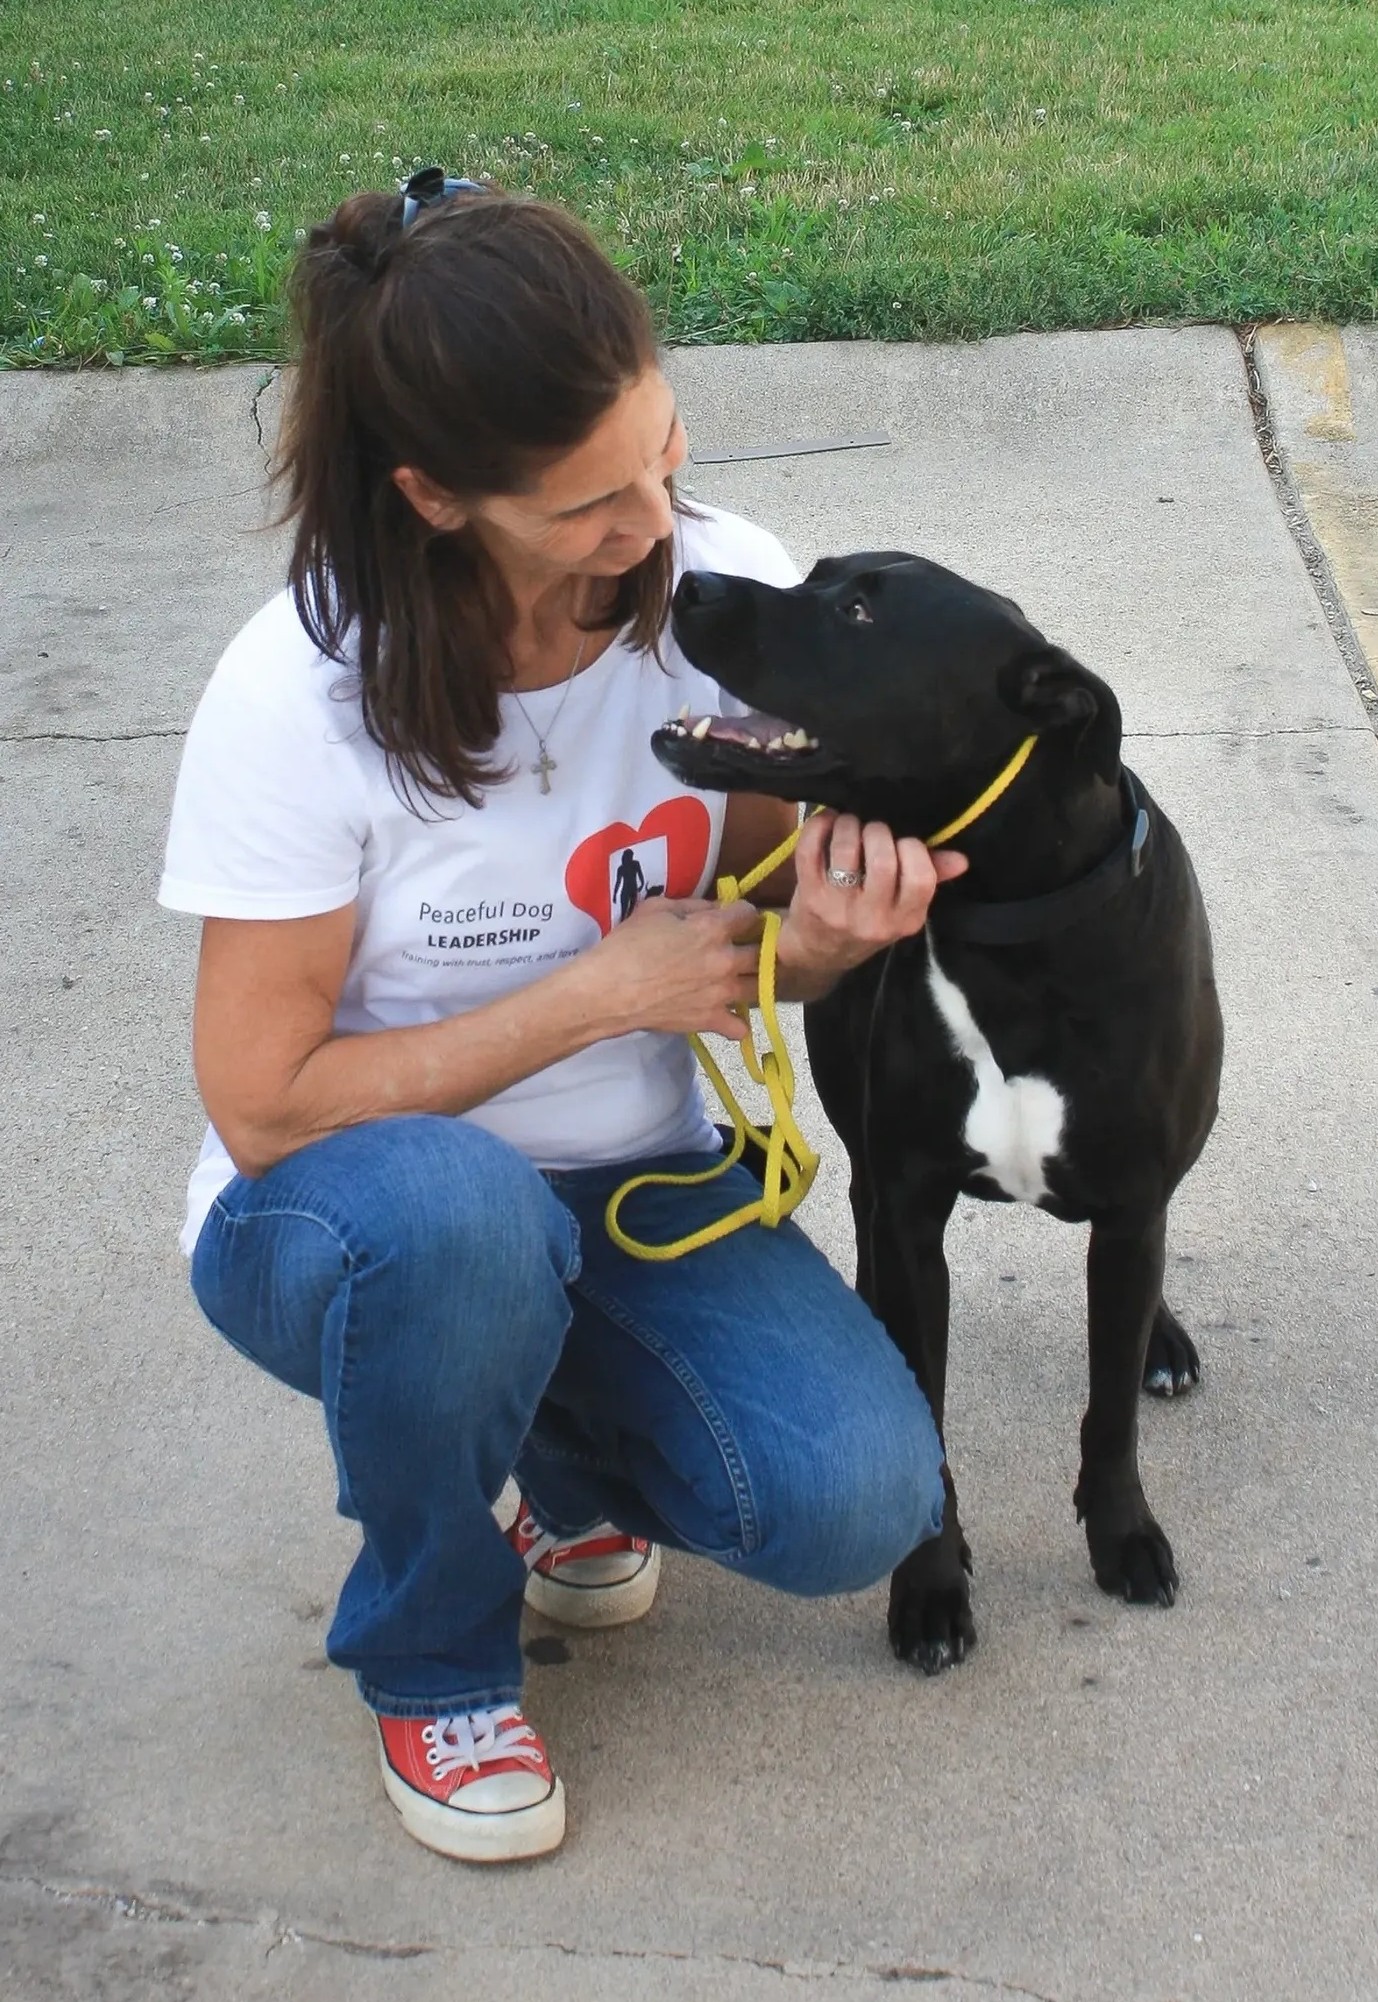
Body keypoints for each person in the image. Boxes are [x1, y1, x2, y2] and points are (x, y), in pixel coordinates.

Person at [158, 171, 967, 1866]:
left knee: (851, 1499)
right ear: (436, 497)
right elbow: (265, 1106)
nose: (655, 522)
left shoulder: (720, 599)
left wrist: (811, 940)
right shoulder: (304, 691)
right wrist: (589, 993)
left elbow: (741, 919)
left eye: (663, 451)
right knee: (461, 1223)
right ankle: (434, 1652)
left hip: (634, 1186)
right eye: (592, 501)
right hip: (355, 1204)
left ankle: (536, 1457)